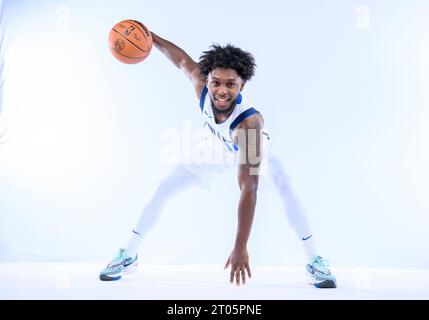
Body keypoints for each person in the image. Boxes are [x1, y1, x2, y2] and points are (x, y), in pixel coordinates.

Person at [99, 32, 337, 289]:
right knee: (164, 187)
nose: (222, 91)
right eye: (216, 83)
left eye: (230, 84)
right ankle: (129, 254)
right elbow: (180, 60)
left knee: (286, 188)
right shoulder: (201, 85)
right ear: (207, 80)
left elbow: (249, 188)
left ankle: (315, 260)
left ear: (242, 85)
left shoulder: (250, 125)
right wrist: (150, 38)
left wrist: (240, 245)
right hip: (214, 148)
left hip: (253, 150)